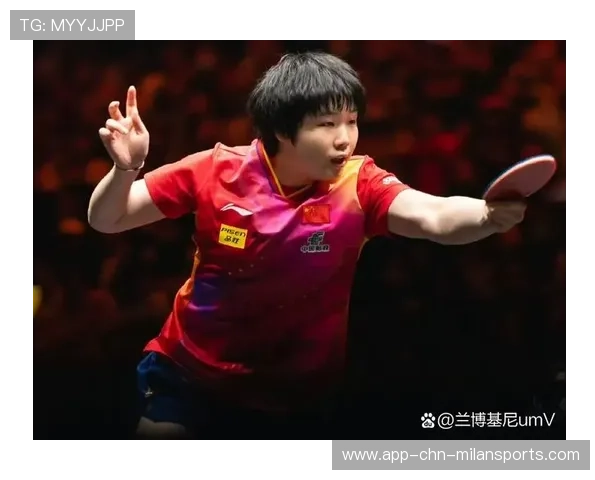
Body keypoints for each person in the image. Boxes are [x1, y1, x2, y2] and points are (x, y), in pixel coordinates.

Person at [88, 51, 526, 439]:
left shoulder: (359, 183)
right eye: (327, 124)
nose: (345, 138)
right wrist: (126, 170)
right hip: (189, 375)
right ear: (282, 129)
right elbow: (108, 219)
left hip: (296, 399)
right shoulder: (215, 171)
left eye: (351, 121)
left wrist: (486, 215)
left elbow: (433, 215)